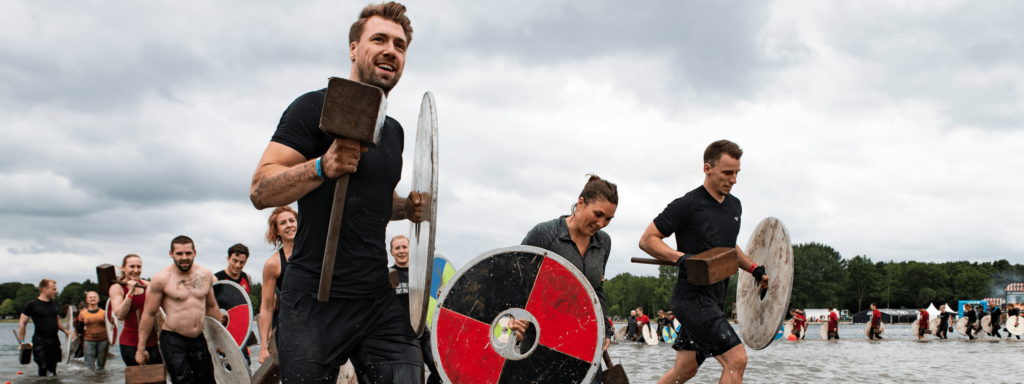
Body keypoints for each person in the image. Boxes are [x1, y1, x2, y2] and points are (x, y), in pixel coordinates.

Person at [248, 3, 425, 382]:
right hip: (313, 300)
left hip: (376, 298)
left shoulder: (393, 131)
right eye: (378, 39)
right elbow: (260, 189)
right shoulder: (313, 107)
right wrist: (320, 166)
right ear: (353, 48)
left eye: (400, 44)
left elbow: (371, 199)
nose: (391, 50)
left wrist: (406, 209)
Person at [639, 140, 770, 384]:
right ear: (707, 168)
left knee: (685, 370)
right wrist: (683, 259)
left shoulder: (734, 205)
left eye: (736, 173)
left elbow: (729, 247)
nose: (733, 179)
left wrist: (753, 268)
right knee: (736, 359)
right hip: (691, 300)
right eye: (727, 173)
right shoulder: (686, 205)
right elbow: (648, 240)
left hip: (714, 300)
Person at [136, 236, 226, 384]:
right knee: (183, 381)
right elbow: (149, 314)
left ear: (194, 253)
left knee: (208, 380)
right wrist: (141, 349)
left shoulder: (205, 275)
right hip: (173, 339)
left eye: (188, 253)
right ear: (171, 254)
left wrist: (221, 341)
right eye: (179, 253)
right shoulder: (161, 279)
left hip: (199, 338)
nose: (184, 257)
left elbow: (211, 307)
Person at [388, 235, 441, 384]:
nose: (401, 251)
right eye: (397, 248)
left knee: (439, 368)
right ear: (391, 252)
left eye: (404, 247)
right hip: (399, 335)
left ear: (410, 250)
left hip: (421, 331)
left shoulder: (421, 275)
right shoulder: (387, 275)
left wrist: (440, 294)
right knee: (410, 376)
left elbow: (436, 296)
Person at [257, 205, 297, 365]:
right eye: (282, 223)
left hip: (319, 327)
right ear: (276, 231)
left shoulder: (318, 254)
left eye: (292, 220)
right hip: (289, 331)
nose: (288, 225)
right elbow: (266, 307)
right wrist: (263, 348)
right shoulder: (273, 264)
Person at [108, 254, 163, 366]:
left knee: (158, 377)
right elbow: (119, 315)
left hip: (152, 340)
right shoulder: (117, 288)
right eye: (132, 266)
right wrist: (130, 292)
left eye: (139, 267)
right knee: (137, 378)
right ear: (123, 268)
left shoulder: (147, 285)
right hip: (130, 342)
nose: (136, 270)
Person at [213, 243, 254, 365]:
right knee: (222, 365)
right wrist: (215, 313)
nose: (237, 265)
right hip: (221, 331)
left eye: (242, 262)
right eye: (234, 261)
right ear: (228, 258)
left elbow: (244, 306)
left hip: (239, 330)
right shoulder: (216, 279)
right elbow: (203, 305)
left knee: (244, 364)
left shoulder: (246, 277)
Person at [17, 279, 69, 376]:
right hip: (40, 341)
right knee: (43, 367)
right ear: (45, 289)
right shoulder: (31, 305)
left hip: (54, 341)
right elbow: (22, 323)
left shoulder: (55, 304)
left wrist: (65, 330)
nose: (55, 292)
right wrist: (21, 342)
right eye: (53, 289)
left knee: (52, 370)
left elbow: (56, 320)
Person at [76, 291, 109, 370]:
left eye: (95, 297)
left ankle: (100, 380)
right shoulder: (82, 314)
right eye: (90, 297)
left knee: (101, 367)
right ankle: (91, 380)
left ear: (98, 299)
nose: (92, 298)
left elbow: (111, 327)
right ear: (87, 300)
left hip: (103, 341)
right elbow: (79, 329)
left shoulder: (104, 313)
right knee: (89, 367)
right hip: (89, 341)